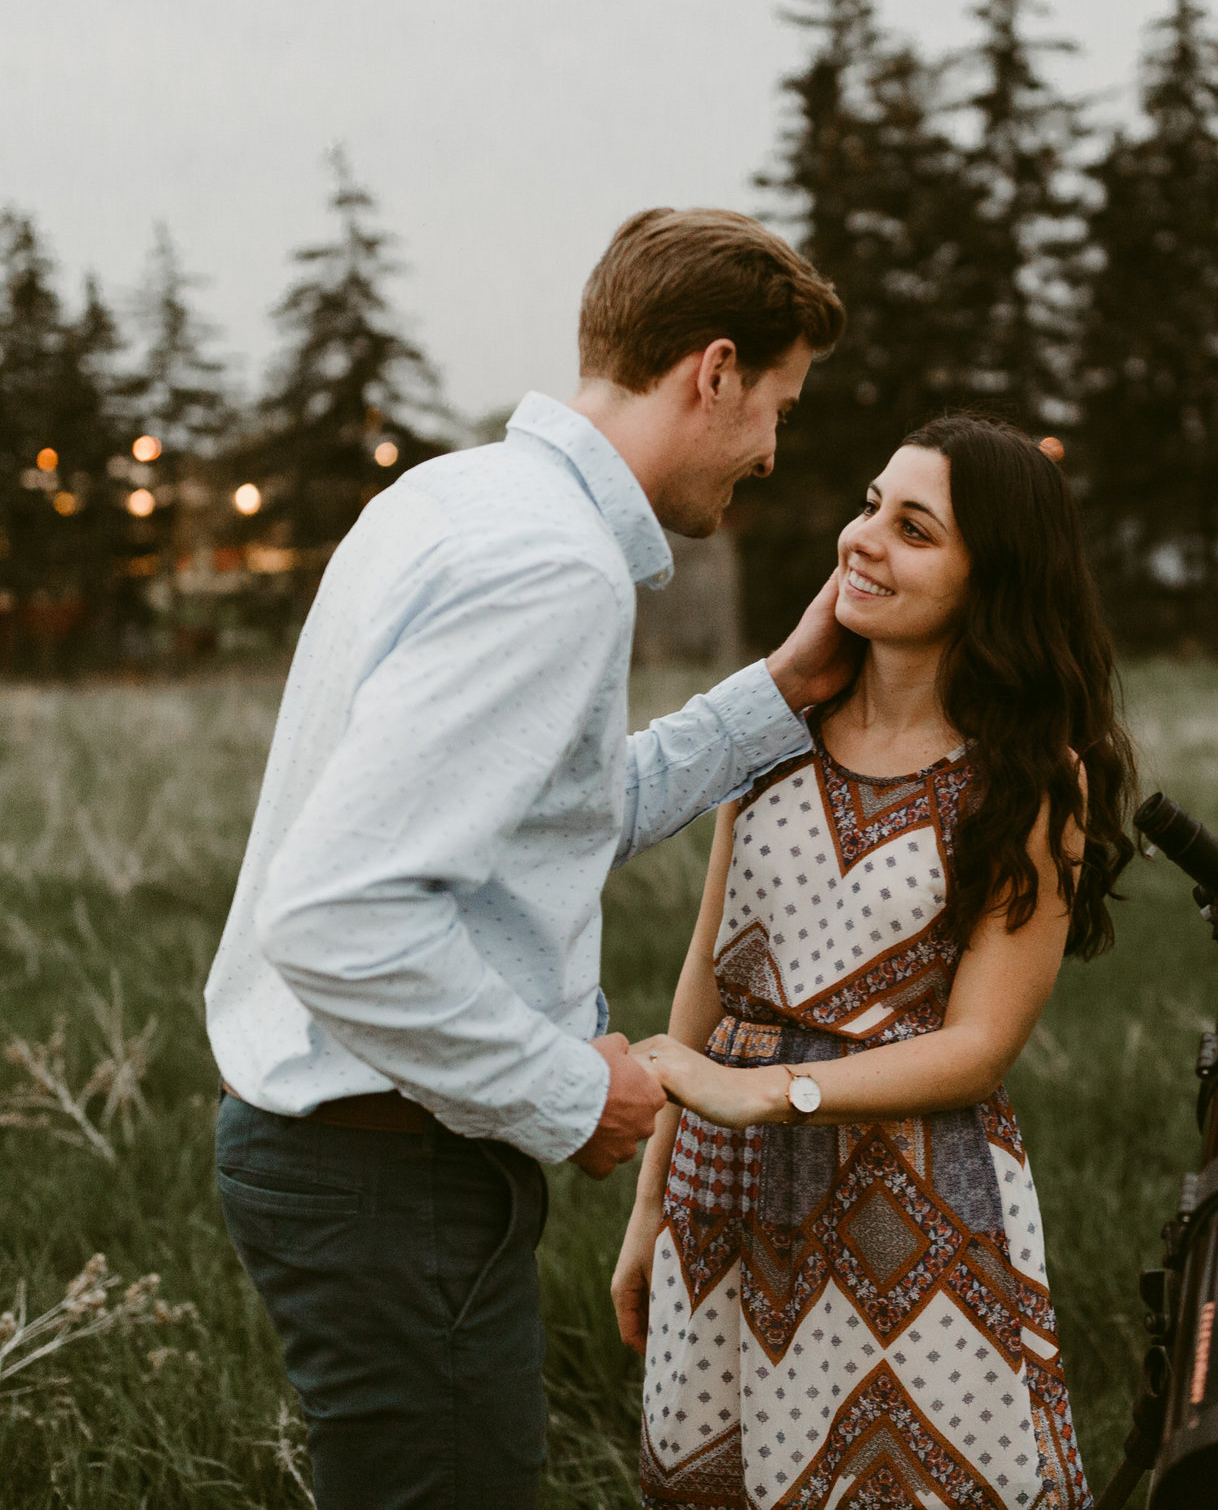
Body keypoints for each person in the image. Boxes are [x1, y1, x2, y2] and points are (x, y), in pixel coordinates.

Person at [204, 207, 854, 1509]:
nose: (773, 451)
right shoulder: (551, 568)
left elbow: (544, 816)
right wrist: (571, 1092)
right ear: (711, 371)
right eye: (775, 403)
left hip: (357, 1157)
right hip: (399, 1170)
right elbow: (336, 915)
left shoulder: (455, 500)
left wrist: (775, 693)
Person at [614, 413, 1139, 1510]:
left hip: (907, 1208)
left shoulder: (1031, 778)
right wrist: (650, 1207)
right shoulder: (776, 731)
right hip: (723, 1191)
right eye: (867, 507)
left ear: (989, 575)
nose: (863, 540)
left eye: (913, 528)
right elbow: (710, 979)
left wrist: (770, 1092)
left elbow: (978, 1048)